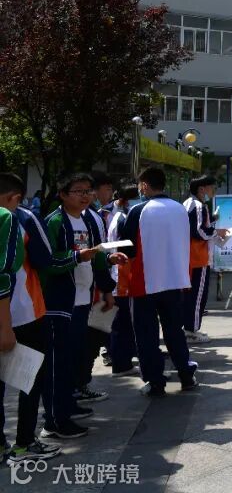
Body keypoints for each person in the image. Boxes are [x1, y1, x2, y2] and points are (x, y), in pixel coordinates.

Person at [0, 173, 64, 461]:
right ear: (15, 197)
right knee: (30, 377)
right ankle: (25, 443)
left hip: (12, 312)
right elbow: (45, 259)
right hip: (24, 310)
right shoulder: (18, 217)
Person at [120, 167, 200, 398]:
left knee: (146, 335)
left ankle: (155, 381)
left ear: (144, 185)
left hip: (145, 281)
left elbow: (127, 247)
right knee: (174, 331)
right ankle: (185, 374)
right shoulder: (179, 209)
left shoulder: (138, 211)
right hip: (175, 280)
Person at [43, 173, 117, 421]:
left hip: (84, 298)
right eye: (79, 191)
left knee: (76, 354)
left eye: (88, 191)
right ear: (63, 195)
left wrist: (109, 261)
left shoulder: (87, 220)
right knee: (60, 359)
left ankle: (70, 402)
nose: (85, 196)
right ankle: (56, 416)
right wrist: (76, 257)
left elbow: (95, 255)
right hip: (62, 303)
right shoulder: (54, 222)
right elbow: (46, 262)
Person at [183, 175, 223, 344]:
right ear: (201, 189)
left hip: (189, 257)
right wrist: (217, 232)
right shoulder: (199, 206)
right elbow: (199, 231)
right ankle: (191, 330)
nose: (213, 191)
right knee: (198, 296)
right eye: (211, 188)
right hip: (198, 258)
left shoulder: (188, 203)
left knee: (190, 296)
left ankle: (189, 328)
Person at [106, 185, 140, 377]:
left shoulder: (121, 216)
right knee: (122, 323)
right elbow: (126, 249)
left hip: (121, 275)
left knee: (124, 322)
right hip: (122, 276)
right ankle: (121, 364)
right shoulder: (123, 219)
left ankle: (123, 361)